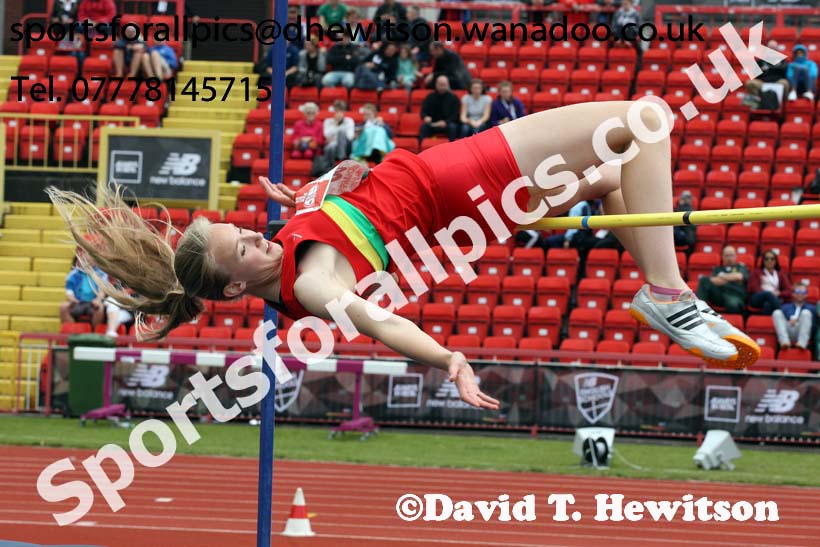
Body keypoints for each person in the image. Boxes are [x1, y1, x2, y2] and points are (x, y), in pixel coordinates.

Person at [49, 99, 761, 411]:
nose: (262, 235)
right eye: (249, 247)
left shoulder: (291, 247)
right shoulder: (313, 278)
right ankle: (667, 292)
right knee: (646, 121)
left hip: (475, 210)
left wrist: (307, 193)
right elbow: (374, 321)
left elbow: (318, 213)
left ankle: (661, 291)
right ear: (237, 288)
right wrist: (444, 356)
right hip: (462, 178)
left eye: (252, 229)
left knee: (609, 176)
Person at [696, 245, 749, 315]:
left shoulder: (741, 267)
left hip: (735, 295)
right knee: (704, 280)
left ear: (736, 256)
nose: (729, 258)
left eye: (731, 255)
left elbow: (739, 276)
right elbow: (714, 281)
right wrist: (732, 278)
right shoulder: (717, 269)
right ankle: (699, 309)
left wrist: (721, 276)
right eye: (727, 256)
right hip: (719, 295)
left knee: (732, 304)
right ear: (722, 257)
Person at [59, 251, 107, 328]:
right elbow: (69, 292)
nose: (87, 261)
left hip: (93, 303)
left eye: (89, 260)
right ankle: (72, 330)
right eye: (84, 259)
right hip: (78, 302)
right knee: (63, 307)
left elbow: (102, 291)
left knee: (100, 308)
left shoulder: (101, 274)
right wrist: (73, 300)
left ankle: (94, 332)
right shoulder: (74, 274)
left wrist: (97, 300)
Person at [772, 283, 815, 351]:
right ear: (793, 294)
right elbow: (781, 323)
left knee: (806, 313)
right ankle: (784, 342)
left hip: (802, 331)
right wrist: (790, 322)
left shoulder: (811, 308)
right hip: (788, 330)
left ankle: (802, 344)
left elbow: (813, 326)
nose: (800, 294)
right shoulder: (785, 307)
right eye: (797, 291)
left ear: (806, 294)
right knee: (776, 313)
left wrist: (798, 321)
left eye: (803, 292)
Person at [748, 250, 791, 315]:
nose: (769, 261)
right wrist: (770, 293)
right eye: (766, 259)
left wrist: (779, 293)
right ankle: (784, 315)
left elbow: (788, 290)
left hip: (774, 299)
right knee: (768, 294)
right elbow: (754, 289)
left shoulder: (780, 274)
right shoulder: (756, 272)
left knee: (767, 305)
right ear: (763, 261)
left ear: (775, 261)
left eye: (772, 259)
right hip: (757, 298)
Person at [419, 75, 460, 142]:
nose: (442, 87)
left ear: (448, 85)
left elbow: (455, 115)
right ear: (436, 84)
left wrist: (446, 122)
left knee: (453, 127)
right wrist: (425, 117)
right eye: (440, 85)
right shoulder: (430, 97)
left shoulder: (453, 98)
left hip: (447, 124)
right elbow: (423, 112)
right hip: (432, 123)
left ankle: (453, 148)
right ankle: (421, 148)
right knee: (424, 127)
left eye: (444, 85)